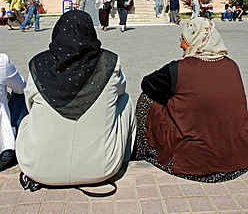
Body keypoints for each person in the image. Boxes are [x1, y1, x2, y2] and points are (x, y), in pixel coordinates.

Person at [16, 11, 136, 186]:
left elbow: (29, 103)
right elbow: (120, 91)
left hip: (38, 169)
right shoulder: (109, 62)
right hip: (102, 169)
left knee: (29, 115)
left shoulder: (38, 64)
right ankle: (125, 157)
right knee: (125, 101)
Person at [135, 17, 248, 183]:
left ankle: (143, 151)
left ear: (193, 40)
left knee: (146, 99)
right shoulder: (232, 65)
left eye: (184, 39)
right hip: (238, 160)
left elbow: (147, 84)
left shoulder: (178, 69)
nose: (181, 44)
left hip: (193, 166)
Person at [0, 54, 26, 169]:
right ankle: (16, 138)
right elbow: (21, 87)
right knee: (22, 95)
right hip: (3, 153)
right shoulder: (2, 61)